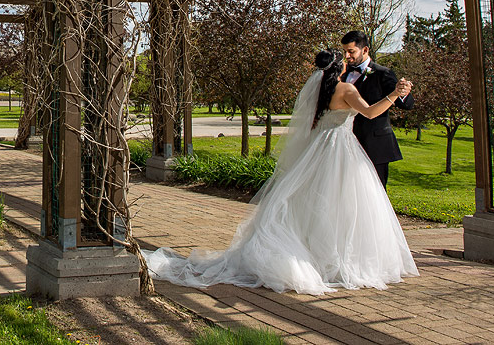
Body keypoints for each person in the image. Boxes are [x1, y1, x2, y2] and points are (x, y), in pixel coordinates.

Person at [144, 49, 417, 296]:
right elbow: (370, 113)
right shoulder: (345, 89)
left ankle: (319, 255)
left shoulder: (321, 88)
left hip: (320, 150)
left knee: (315, 203)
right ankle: (338, 261)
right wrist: (394, 95)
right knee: (344, 204)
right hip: (340, 150)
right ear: (339, 67)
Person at [341, 30, 413, 186]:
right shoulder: (343, 74)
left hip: (375, 145)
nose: (347, 56)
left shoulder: (383, 74)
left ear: (365, 50)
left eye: (351, 51)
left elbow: (405, 104)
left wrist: (403, 93)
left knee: (375, 194)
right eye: (345, 51)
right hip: (346, 143)